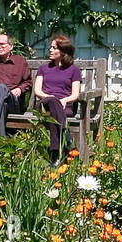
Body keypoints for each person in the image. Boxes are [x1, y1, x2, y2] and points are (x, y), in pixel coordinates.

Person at [34, 34, 82, 165]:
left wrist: (66, 100)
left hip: (64, 106)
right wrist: (49, 98)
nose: (50, 50)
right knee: (53, 101)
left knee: (56, 113)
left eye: (54, 48)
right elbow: (37, 90)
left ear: (63, 51)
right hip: (45, 105)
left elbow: (75, 94)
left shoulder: (74, 70)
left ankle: (54, 152)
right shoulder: (43, 68)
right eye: (50, 47)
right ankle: (68, 142)